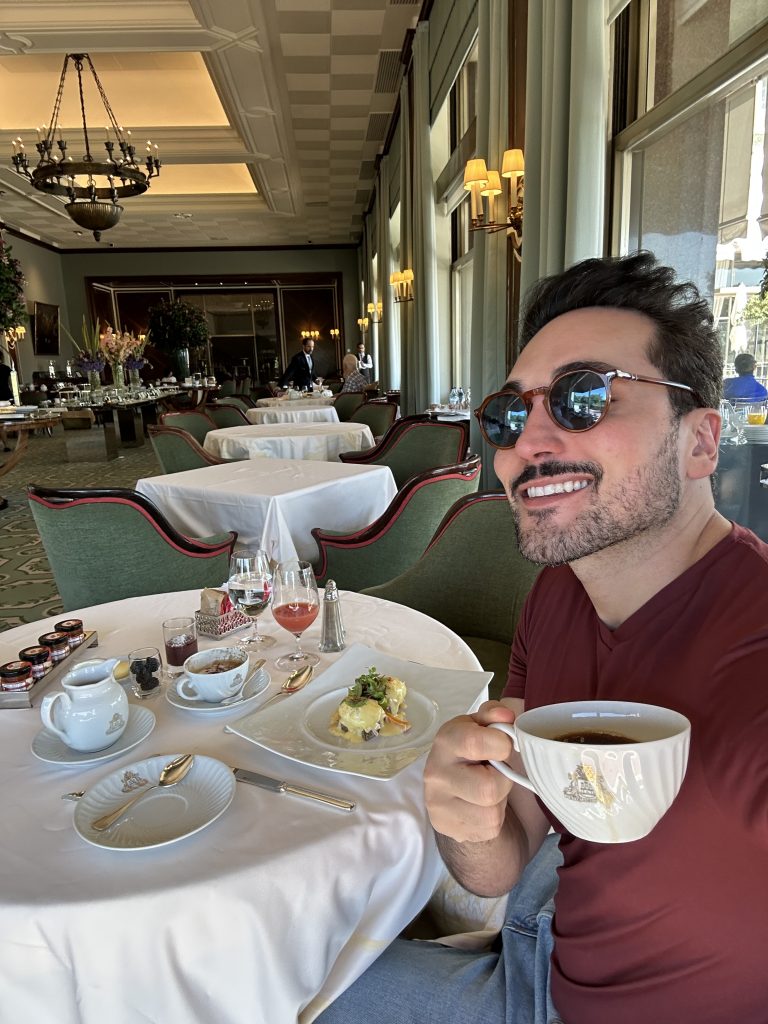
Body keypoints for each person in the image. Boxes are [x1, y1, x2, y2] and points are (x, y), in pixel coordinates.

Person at [316, 252, 768, 1024]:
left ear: (700, 441)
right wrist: (469, 819)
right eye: (507, 414)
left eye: (582, 397)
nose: (527, 441)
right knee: (256, 983)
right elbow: (503, 861)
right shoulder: (556, 594)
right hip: (536, 954)